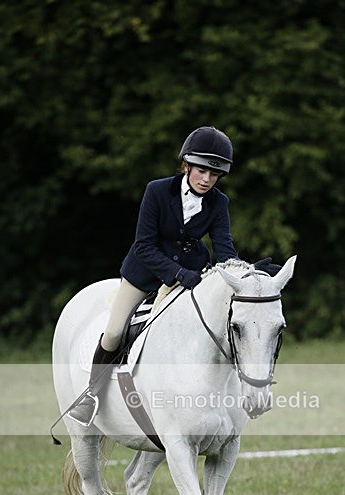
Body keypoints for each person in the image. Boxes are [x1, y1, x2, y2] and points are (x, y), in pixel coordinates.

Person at [67, 125, 278, 426]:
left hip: (192, 275)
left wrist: (248, 272)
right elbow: (144, 245)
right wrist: (177, 273)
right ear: (187, 165)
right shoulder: (157, 190)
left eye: (214, 174)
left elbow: (224, 249)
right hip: (145, 274)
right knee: (114, 332)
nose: (207, 180)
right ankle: (91, 396)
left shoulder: (220, 203)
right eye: (201, 171)